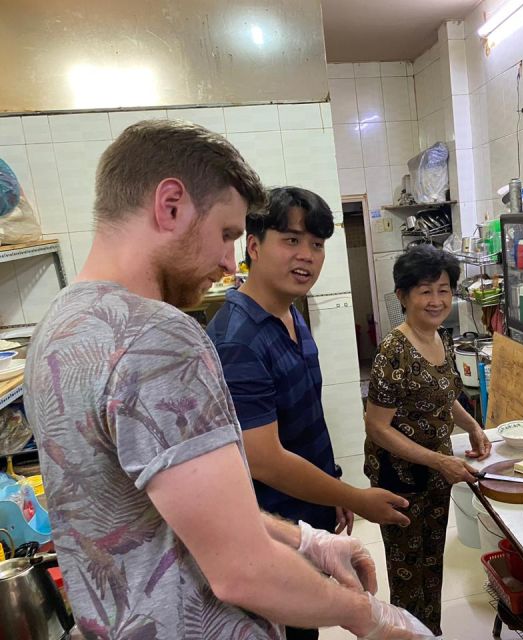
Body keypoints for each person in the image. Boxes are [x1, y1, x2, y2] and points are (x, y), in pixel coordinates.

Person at [23, 120, 433, 640]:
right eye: (225, 235)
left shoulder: (58, 325)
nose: (226, 263)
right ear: (169, 204)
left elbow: (174, 507)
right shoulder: (158, 336)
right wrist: (367, 616)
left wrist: (306, 541)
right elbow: (242, 571)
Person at [206, 186, 411, 639]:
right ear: (253, 246)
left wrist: (331, 485)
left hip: (307, 517)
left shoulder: (290, 313)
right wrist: (356, 495)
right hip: (272, 531)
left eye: (317, 245)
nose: (307, 256)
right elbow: (264, 457)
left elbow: (306, 417)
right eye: (292, 240)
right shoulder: (238, 339)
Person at [364, 244, 493, 635]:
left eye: (443, 289)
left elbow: (444, 393)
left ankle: (429, 631)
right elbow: (376, 426)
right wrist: (439, 461)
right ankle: (406, 632)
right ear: (403, 296)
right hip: (400, 478)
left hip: (436, 474)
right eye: (424, 290)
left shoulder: (441, 338)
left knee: (431, 562)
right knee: (408, 573)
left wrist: (471, 425)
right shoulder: (393, 350)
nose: (436, 300)